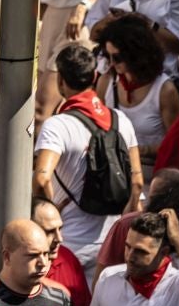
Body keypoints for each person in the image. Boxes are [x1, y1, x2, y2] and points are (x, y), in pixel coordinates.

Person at [33, 42, 139, 280]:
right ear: (94, 76)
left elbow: (41, 178)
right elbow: (138, 184)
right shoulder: (121, 120)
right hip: (112, 245)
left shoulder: (57, 125)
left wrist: (50, 215)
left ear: (60, 80)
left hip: (68, 245)